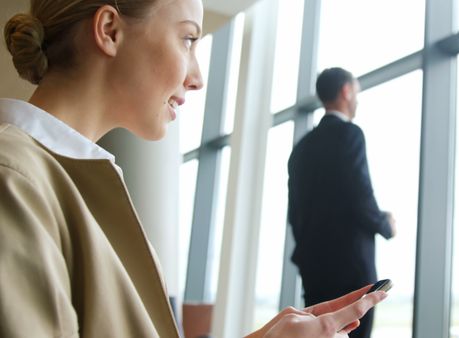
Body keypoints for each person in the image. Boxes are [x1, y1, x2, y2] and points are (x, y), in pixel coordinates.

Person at [0, 1, 387, 337]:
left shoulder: (68, 182)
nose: (198, 77)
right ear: (109, 31)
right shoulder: (14, 182)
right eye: (188, 39)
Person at [287, 67, 397, 338]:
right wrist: (386, 224)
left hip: (314, 269)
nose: (357, 100)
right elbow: (360, 196)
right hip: (350, 268)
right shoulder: (350, 134)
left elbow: (295, 214)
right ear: (346, 91)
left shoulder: (301, 149)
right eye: (356, 92)